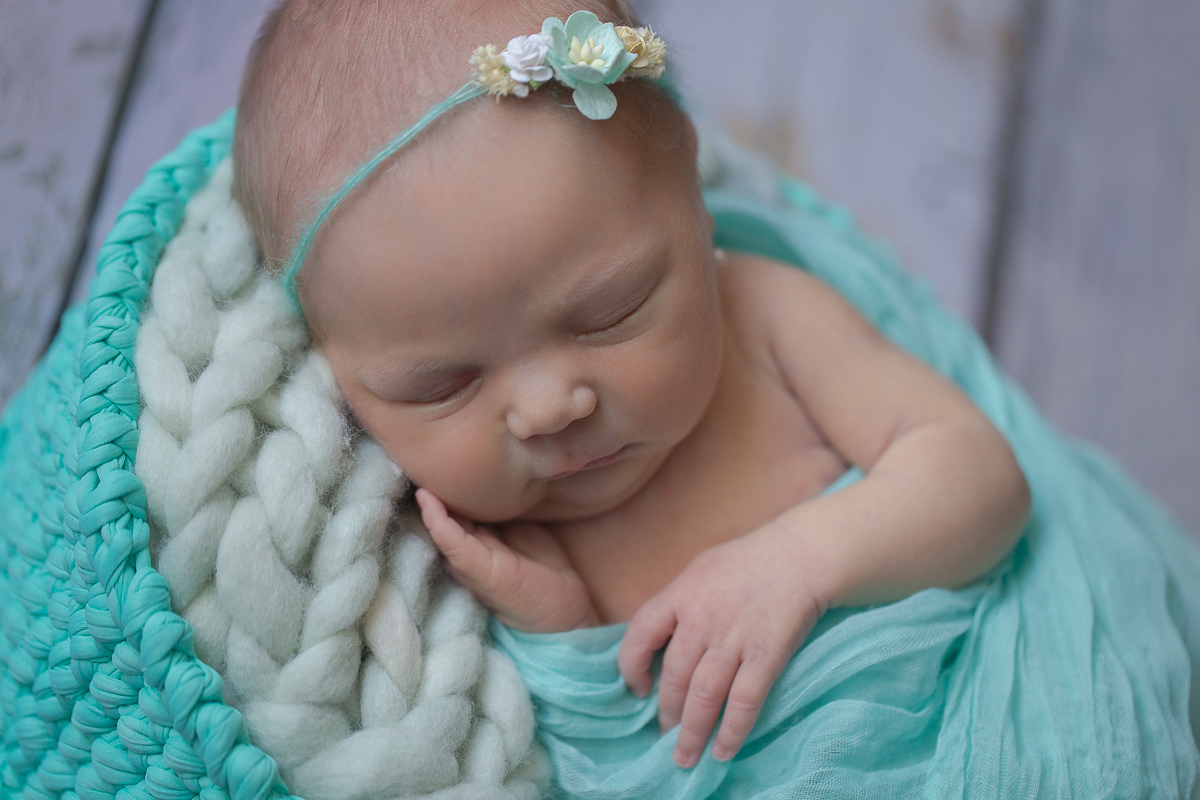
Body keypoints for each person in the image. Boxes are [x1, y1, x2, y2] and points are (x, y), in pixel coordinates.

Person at [231, 0, 1033, 777]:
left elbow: (981, 481)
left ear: (690, 191)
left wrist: (800, 562)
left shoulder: (766, 320)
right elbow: (606, 761)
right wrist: (565, 626)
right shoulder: (483, 552)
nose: (550, 409)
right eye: (444, 384)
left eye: (610, 314)